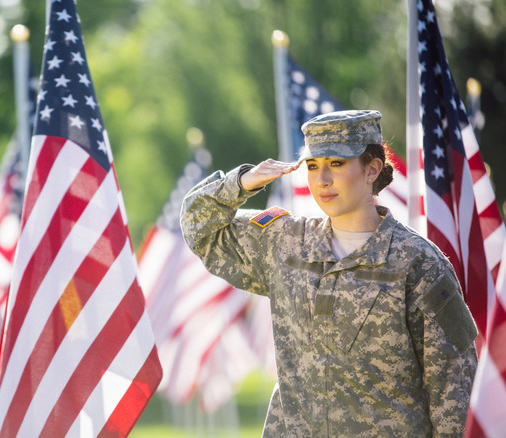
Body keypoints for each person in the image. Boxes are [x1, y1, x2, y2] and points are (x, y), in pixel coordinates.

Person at [180, 110, 478, 437]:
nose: (322, 179)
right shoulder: (285, 242)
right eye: (312, 166)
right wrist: (240, 183)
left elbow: (454, 388)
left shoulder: (418, 262)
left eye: (336, 164)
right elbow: (199, 227)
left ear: (372, 169)